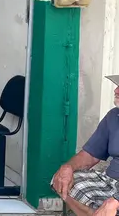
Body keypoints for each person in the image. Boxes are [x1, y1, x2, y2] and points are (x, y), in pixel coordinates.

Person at [51, 75, 119, 216]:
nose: (116, 90)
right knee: (63, 181)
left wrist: (116, 200)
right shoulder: (114, 116)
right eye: (118, 86)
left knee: (112, 205)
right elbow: (91, 154)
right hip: (111, 181)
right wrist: (68, 167)